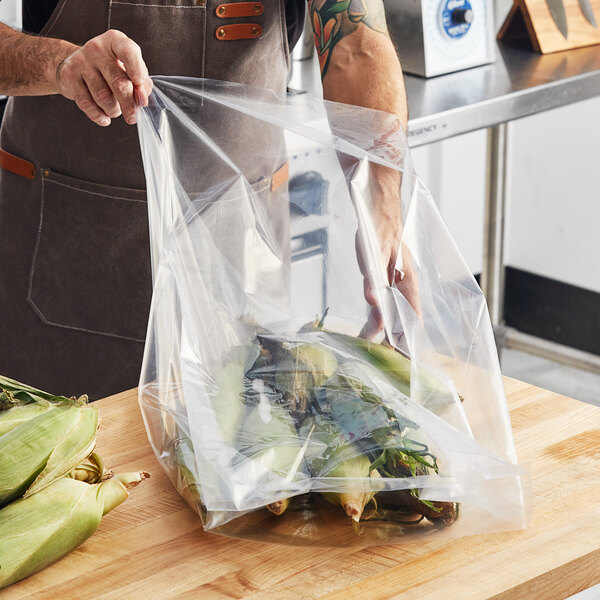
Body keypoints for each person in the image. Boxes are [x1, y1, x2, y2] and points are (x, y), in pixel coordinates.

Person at [0, 0, 413, 399]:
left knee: (243, 439)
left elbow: (356, 46)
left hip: (241, 264)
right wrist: (59, 64)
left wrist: (382, 203)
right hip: (66, 270)